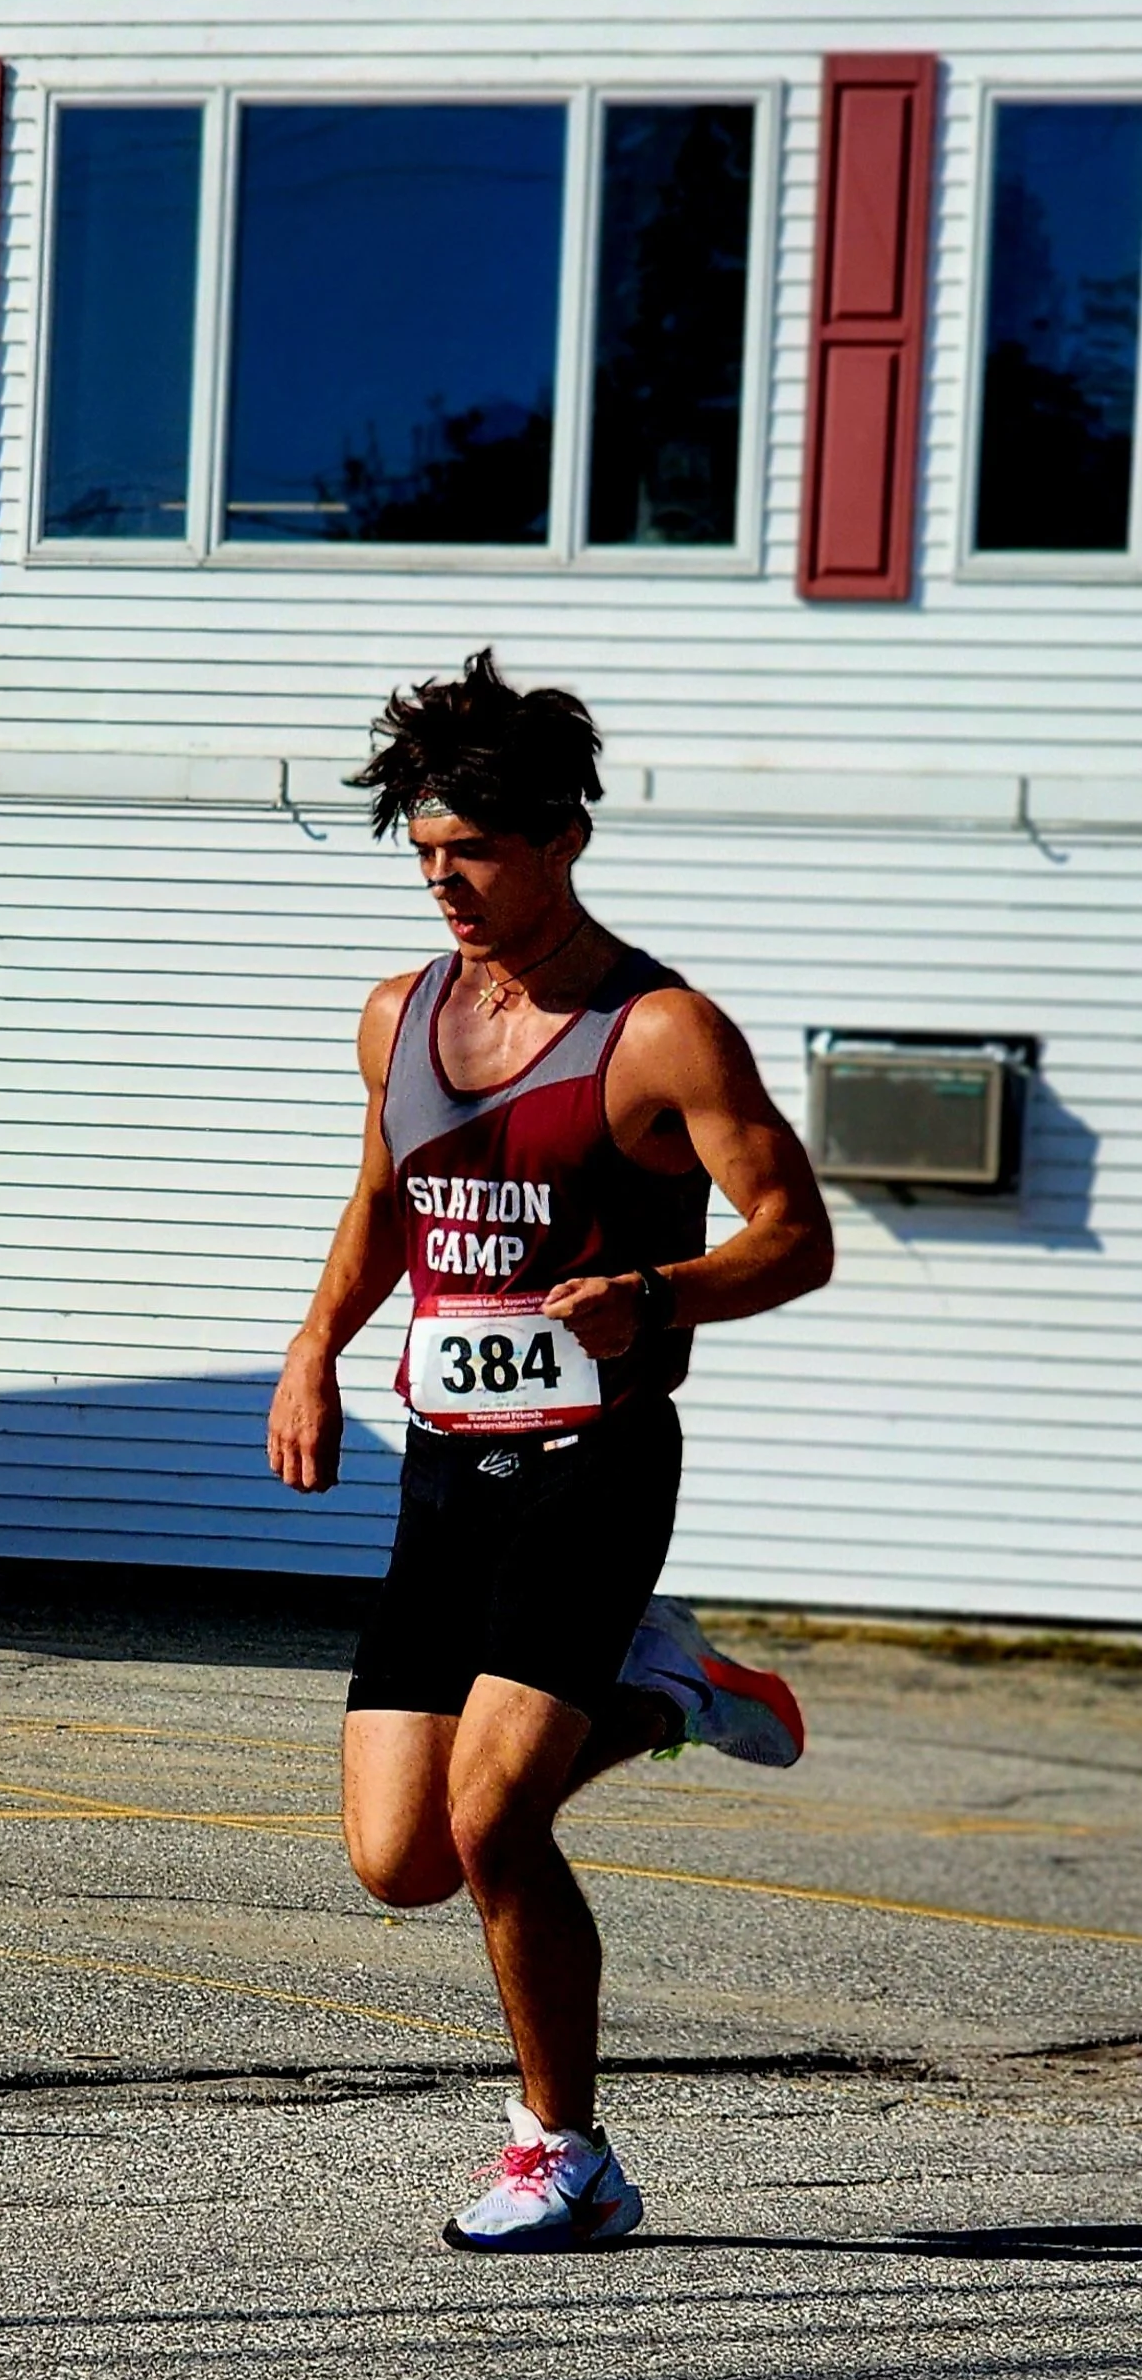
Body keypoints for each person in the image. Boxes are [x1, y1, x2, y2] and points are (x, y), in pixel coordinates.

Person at [266, 650, 834, 2253]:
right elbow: (386, 1205)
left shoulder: (661, 1033)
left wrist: (656, 1290)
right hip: (445, 1465)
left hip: (596, 1463)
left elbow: (796, 1239)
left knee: (498, 1830)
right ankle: (666, 1693)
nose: (445, 883)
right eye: (426, 853)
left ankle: (563, 2151)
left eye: (477, 855)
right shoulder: (401, 1016)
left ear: (563, 840)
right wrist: (313, 1350)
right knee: (401, 1861)